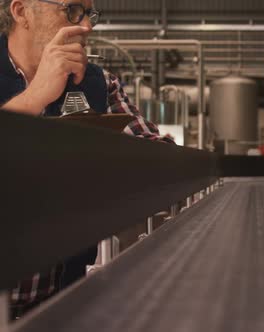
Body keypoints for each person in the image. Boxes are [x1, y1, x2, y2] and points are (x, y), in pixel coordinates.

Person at [0, 0, 171, 319]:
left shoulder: (96, 82)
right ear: (22, 12)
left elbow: (161, 157)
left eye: (89, 14)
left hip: (62, 301)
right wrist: (35, 96)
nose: (87, 26)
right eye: (71, 10)